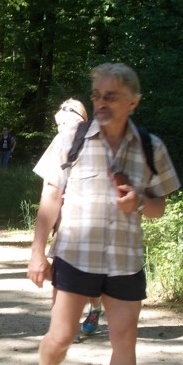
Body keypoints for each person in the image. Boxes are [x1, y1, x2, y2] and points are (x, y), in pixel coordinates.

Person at [25, 63, 180, 365]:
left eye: (110, 96)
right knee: (60, 337)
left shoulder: (150, 146)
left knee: (124, 340)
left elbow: (159, 206)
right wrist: (37, 251)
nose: (101, 103)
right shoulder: (71, 139)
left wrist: (139, 201)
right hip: (76, 257)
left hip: (125, 261)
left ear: (133, 101)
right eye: (96, 95)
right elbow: (50, 197)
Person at [53, 99, 103, 337]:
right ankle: (65, 326)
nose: (62, 127)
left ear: (81, 120)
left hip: (89, 221)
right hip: (65, 219)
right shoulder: (59, 144)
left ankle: (95, 305)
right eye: (59, 124)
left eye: (66, 122)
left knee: (88, 275)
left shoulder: (97, 142)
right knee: (62, 271)